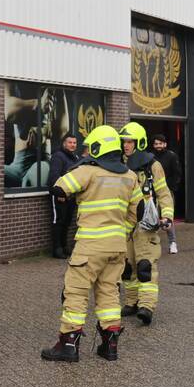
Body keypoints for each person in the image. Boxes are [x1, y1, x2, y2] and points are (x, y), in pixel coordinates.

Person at [41, 125, 140, 363]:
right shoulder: (130, 176)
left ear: (97, 147)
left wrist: (79, 165)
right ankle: (109, 346)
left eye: (89, 148)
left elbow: (59, 187)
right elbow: (137, 212)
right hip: (116, 246)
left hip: (90, 245)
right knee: (109, 293)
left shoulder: (88, 171)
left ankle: (68, 345)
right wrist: (122, 234)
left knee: (76, 292)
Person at [119, 122, 174, 326]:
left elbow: (164, 193)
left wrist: (167, 216)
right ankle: (131, 302)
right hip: (125, 225)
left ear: (139, 142)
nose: (126, 145)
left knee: (145, 266)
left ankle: (147, 306)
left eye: (130, 142)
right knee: (127, 267)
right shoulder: (118, 164)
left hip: (145, 224)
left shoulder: (153, 165)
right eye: (124, 141)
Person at [46, 133, 79, 259]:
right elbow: (54, 177)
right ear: (64, 143)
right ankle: (57, 249)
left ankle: (65, 246)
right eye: (70, 142)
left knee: (67, 222)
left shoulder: (74, 157)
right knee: (58, 222)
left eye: (74, 143)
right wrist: (59, 193)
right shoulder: (58, 157)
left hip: (71, 197)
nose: (72, 145)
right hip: (59, 196)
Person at [152, 133, 182, 253]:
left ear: (165, 144)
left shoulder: (171, 156)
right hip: (152, 192)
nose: (158, 146)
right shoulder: (150, 157)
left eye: (160, 143)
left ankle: (173, 243)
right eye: (156, 144)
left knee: (167, 218)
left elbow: (177, 173)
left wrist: (171, 188)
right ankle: (152, 242)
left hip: (167, 191)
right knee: (152, 217)